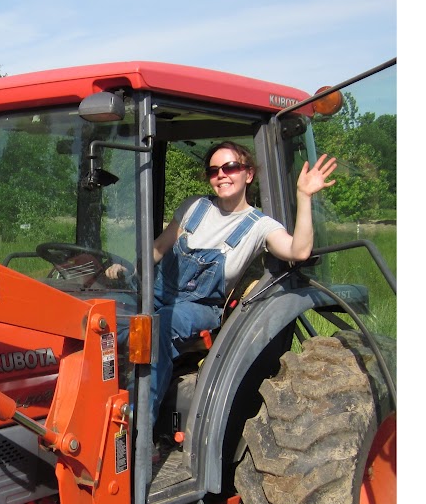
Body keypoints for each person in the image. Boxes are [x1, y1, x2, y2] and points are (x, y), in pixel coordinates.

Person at [134, 141, 336, 433]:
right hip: (160, 292)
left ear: (248, 174)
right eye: (214, 170)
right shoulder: (194, 207)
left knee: (160, 326)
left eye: (230, 167)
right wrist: (131, 270)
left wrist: (303, 196)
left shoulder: (259, 225)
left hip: (199, 307)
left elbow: (299, 250)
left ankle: (138, 433)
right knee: (109, 319)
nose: (222, 175)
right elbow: (161, 247)